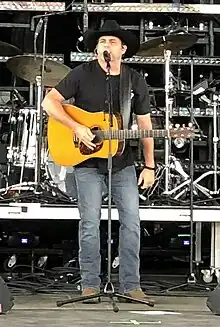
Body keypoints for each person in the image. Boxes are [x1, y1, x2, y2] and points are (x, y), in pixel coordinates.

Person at [42, 20, 155, 303]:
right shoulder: (82, 73)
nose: (106, 45)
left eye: (112, 42)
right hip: (86, 162)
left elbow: (144, 126)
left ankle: (131, 285)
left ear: (123, 49)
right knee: (90, 223)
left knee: (131, 221)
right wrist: (78, 128)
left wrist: (150, 165)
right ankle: (90, 284)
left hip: (123, 163)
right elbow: (49, 103)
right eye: (102, 42)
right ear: (95, 50)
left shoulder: (134, 80)